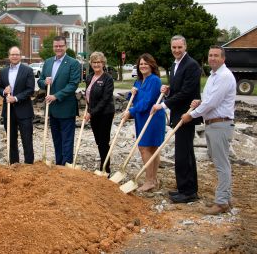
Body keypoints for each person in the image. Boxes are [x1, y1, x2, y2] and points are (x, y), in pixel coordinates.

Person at [181, 46, 236, 215]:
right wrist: (199, 102)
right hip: (213, 124)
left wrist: (192, 115)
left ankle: (221, 202)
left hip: (220, 124)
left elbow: (212, 103)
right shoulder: (214, 76)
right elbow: (209, 99)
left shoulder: (224, 76)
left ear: (223, 58)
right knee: (219, 162)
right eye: (210, 55)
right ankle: (226, 198)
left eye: (216, 56)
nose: (212, 58)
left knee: (222, 164)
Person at [152, 35, 202, 203]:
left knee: (183, 153)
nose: (176, 50)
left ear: (185, 47)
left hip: (186, 115)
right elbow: (178, 88)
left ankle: (188, 192)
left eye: (179, 47)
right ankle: (185, 188)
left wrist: (164, 104)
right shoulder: (175, 64)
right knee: (184, 153)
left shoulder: (192, 65)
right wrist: (168, 89)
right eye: (174, 47)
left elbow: (187, 92)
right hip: (178, 114)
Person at [123, 53, 166, 191]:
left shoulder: (154, 80)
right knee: (151, 148)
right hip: (142, 117)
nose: (143, 66)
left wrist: (131, 112)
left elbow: (147, 102)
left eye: (145, 64)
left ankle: (149, 180)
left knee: (145, 147)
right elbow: (136, 99)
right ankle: (153, 179)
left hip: (152, 117)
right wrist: (132, 93)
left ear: (151, 65)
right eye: (141, 64)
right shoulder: (139, 81)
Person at [37, 36, 81, 165]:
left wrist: (56, 96)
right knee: (56, 139)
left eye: (61, 46)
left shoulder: (73, 63)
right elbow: (40, 81)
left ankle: (66, 166)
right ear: (53, 47)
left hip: (66, 108)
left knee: (67, 140)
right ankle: (58, 165)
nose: (58, 48)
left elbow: (73, 84)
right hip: (52, 109)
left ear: (65, 46)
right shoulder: (48, 62)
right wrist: (44, 82)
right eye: (56, 46)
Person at [0, 46, 35, 164]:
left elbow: (30, 90)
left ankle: (29, 166)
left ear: (20, 56)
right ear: (9, 56)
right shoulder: (3, 71)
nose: (14, 57)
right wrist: (4, 91)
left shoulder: (27, 70)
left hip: (24, 111)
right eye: (12, 54)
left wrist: (16, 98)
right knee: (11, 140)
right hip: (9, 111)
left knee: (27, 140)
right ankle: (14, 165)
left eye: (17, 54)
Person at [84, 52, 115, 173]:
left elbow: (105, 99)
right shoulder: (89, 77)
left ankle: (105, 169)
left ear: (103, 63)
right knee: (98, 141)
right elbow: (89, 96)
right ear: (91, 64)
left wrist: (91, 113)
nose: (96, 64)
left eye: (99, 62)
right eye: (94, 62)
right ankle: (103, 162)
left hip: (105, 114)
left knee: (103, 141)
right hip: (93, 113)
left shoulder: (108, 78)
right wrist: (88, 109)